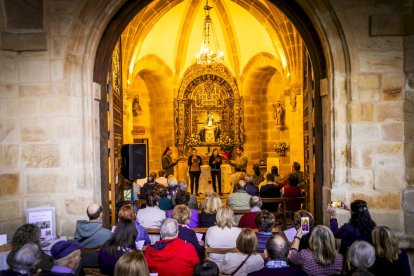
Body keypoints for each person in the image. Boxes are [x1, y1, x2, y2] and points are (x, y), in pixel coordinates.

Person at [205, 206, 242, 270]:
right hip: (234, 267)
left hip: (213, 266)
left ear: (218, 216)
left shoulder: (210, 230)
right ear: (232, 216)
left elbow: (206, 247)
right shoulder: (239, 231)